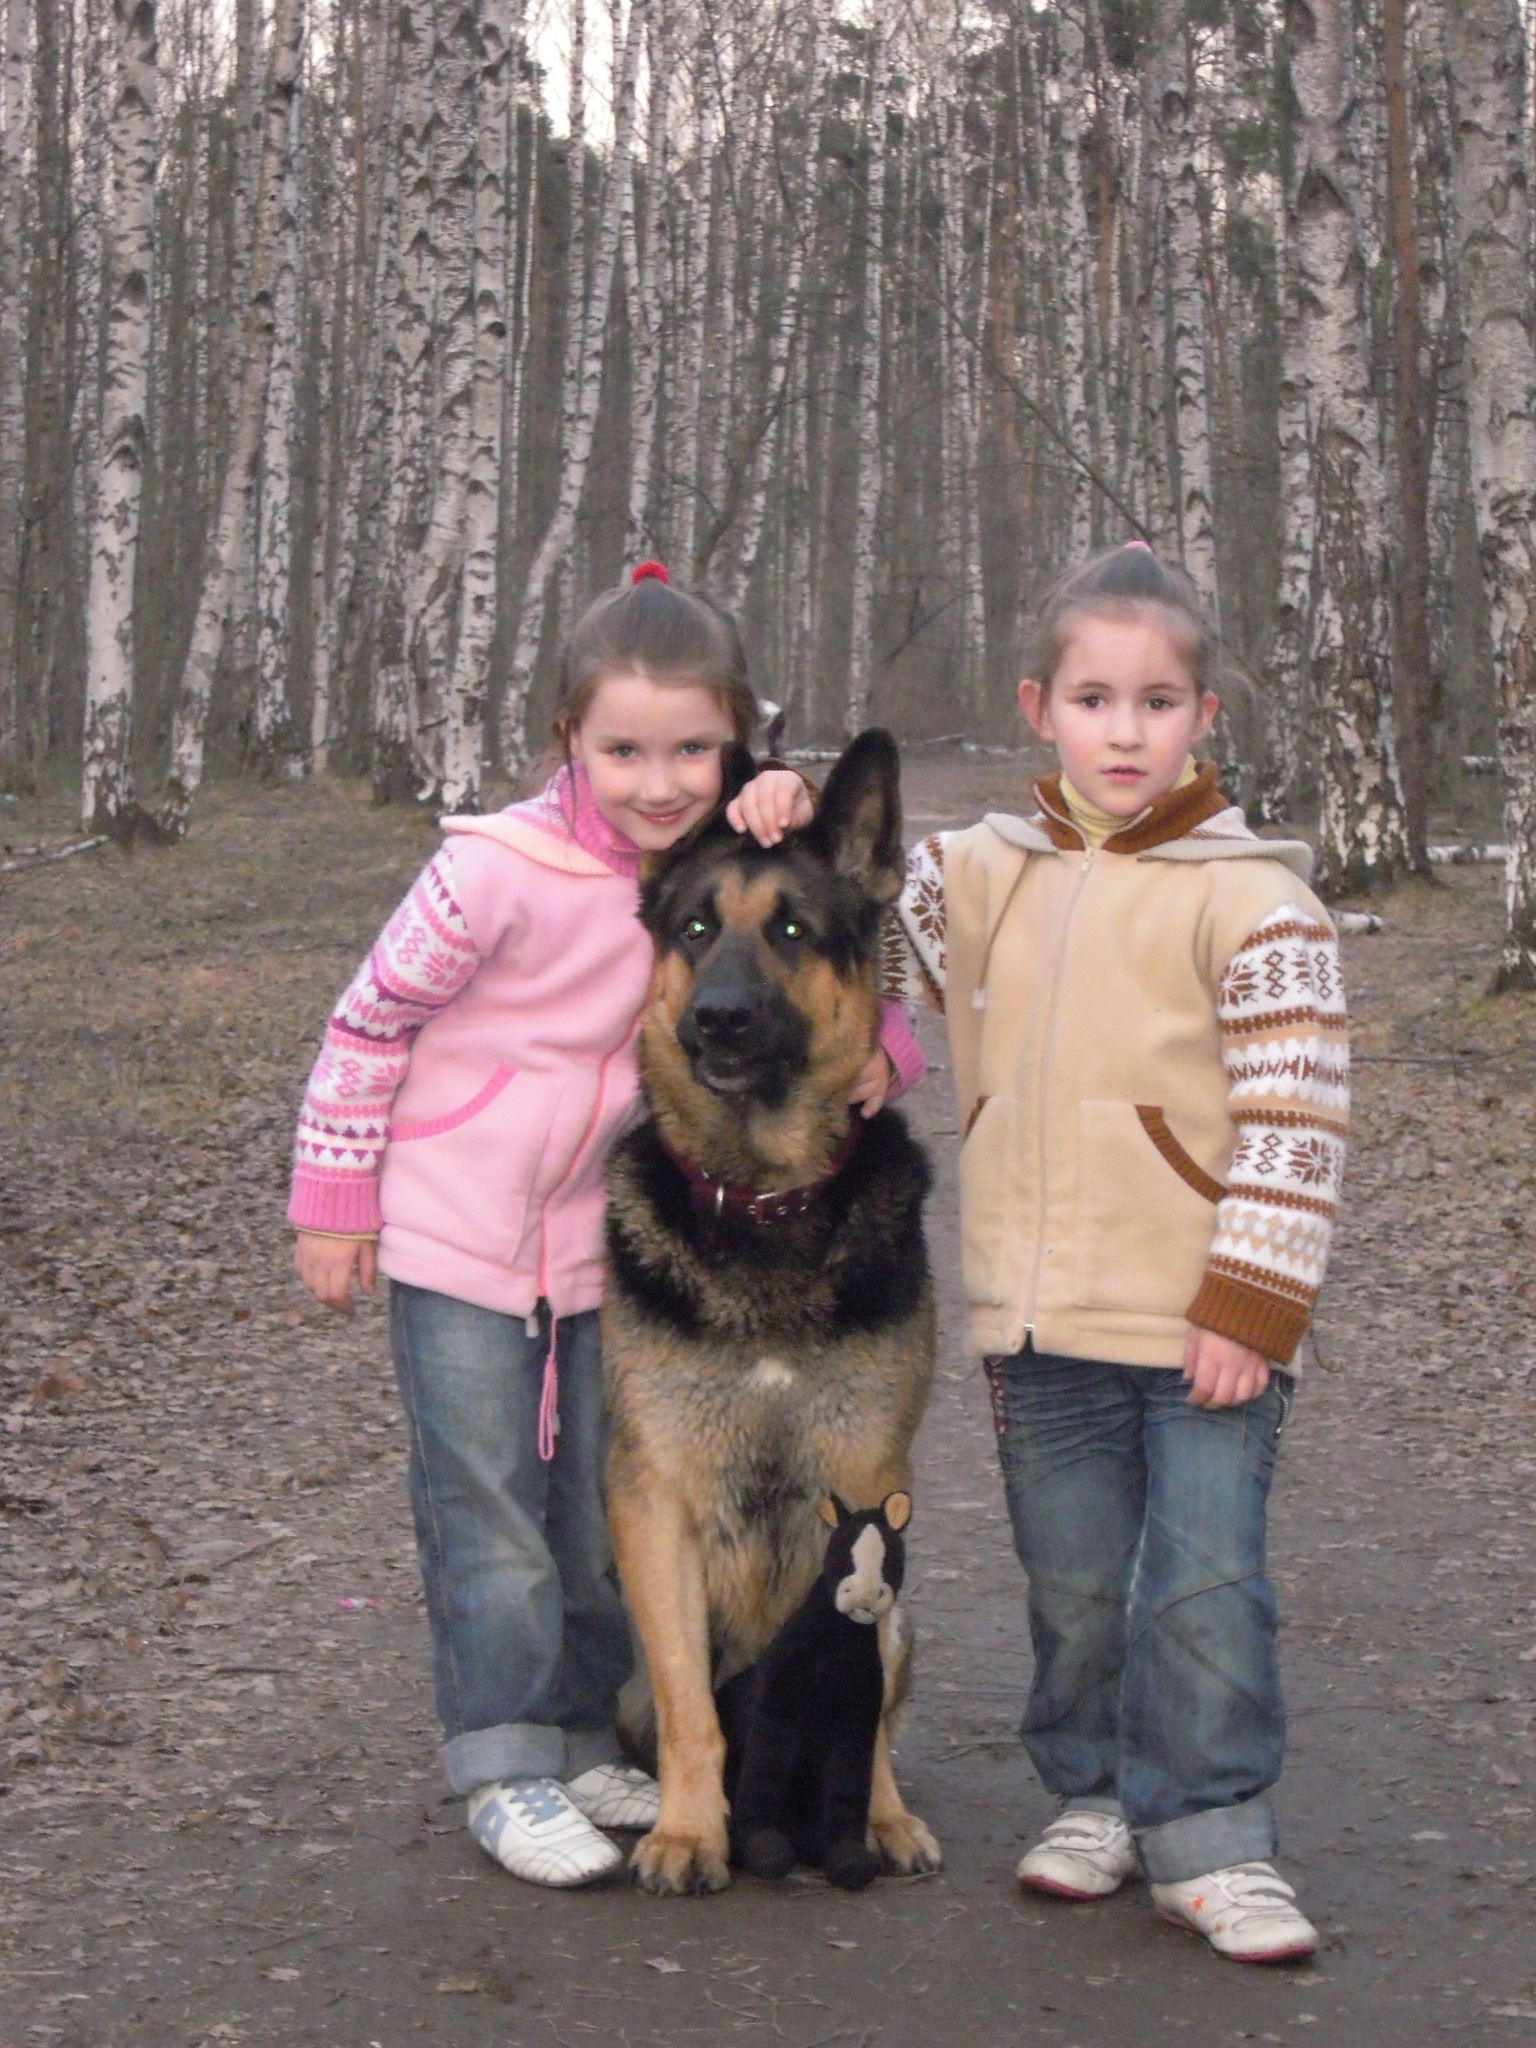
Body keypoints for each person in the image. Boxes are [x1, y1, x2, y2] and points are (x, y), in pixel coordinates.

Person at [288, 564, 923, 1889]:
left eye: (693, 749)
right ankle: (504, 1763)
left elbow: (847, 959)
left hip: (589, 1246)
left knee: (590, 1521)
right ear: (568, 738)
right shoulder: (492, 870)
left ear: (737, 744)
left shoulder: (713, 854)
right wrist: (334, 1200)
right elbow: (369, 1019)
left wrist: (888, 1050)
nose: (659, 779)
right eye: (624, 749)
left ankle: (582, 1737)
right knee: (487, 1512)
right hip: (459, 1236)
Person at [763, 542, 1348, 1961]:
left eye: (1158, 702)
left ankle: (1212, 1835)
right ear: (1041, 710)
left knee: (1202, 1589)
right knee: (1076, 1590)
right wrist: (779, 808)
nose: (1125, 730)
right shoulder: (980, 873)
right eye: (1095, 700)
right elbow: (852, 928)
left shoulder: (1255, 900)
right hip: (1035, 1324)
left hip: (1200, 1323)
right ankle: (1094, 1795)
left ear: (1204, 716)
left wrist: (1251, 1300)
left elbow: (1297, 1114)